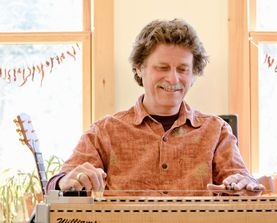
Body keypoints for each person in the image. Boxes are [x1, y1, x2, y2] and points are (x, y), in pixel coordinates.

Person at [46, 18, 264, 196]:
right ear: (139, 68)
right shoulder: (105, 131)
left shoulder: (217, 131)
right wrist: (67, 181)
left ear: (193, 73)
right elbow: (56, 184)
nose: (173, 78)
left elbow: (240, 180)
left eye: (182, 69)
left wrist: (243, 185)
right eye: (162, 67)